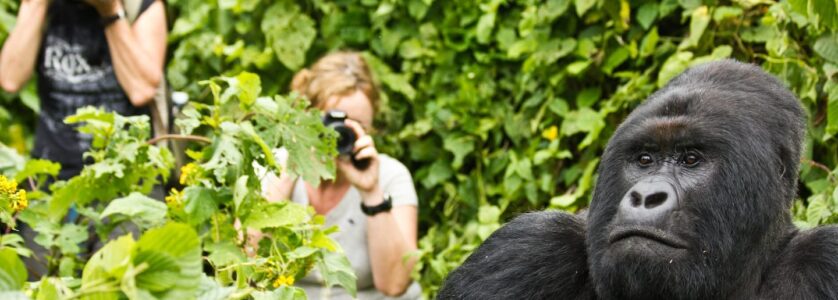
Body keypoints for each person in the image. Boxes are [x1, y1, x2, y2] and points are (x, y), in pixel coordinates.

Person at [261, 52, 421, 299]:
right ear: (305, 116)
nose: (338, 136)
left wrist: (371, 192)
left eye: (353, 126)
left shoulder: (390, 176)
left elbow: (395, 284)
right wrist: (297, 159)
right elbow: (247, 260)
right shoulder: (275, 165)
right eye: (331, 122)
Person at [0, 0, 167, 180]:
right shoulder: (44, 6)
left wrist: (110, 11)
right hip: (51, 172)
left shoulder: (140, 5)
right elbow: (10, 79)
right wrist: (38, 5)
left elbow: (141, 90)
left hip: (125, 174)